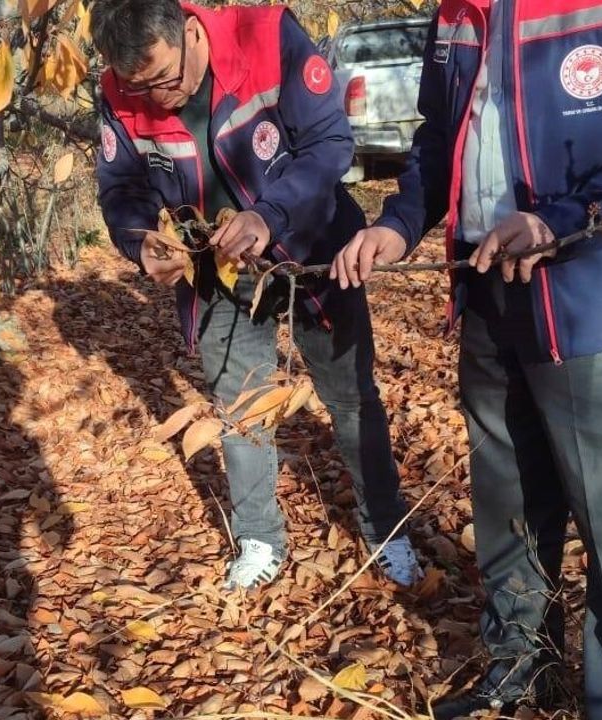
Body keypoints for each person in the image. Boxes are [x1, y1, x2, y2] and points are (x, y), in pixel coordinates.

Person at [330, 0, 602, 717]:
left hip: (600, 291)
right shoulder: (456, 10)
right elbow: (441, 138)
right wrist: (399, 225)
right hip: (487, 288)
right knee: (507, 498)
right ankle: (520, 673)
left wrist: (563, 218)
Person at [90, 0, 424, 591]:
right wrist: (140, 241)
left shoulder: (267, 36)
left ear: (191, 31)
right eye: (140, 87)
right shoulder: (119, 93)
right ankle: (261, 540)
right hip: (217, 274)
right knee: (241, 409)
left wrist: (269, 215)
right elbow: (121, 188)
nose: (160, 98)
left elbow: (328, 145)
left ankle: (386, 529)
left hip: (318, 251)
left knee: (350, 399)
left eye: (167, 78)